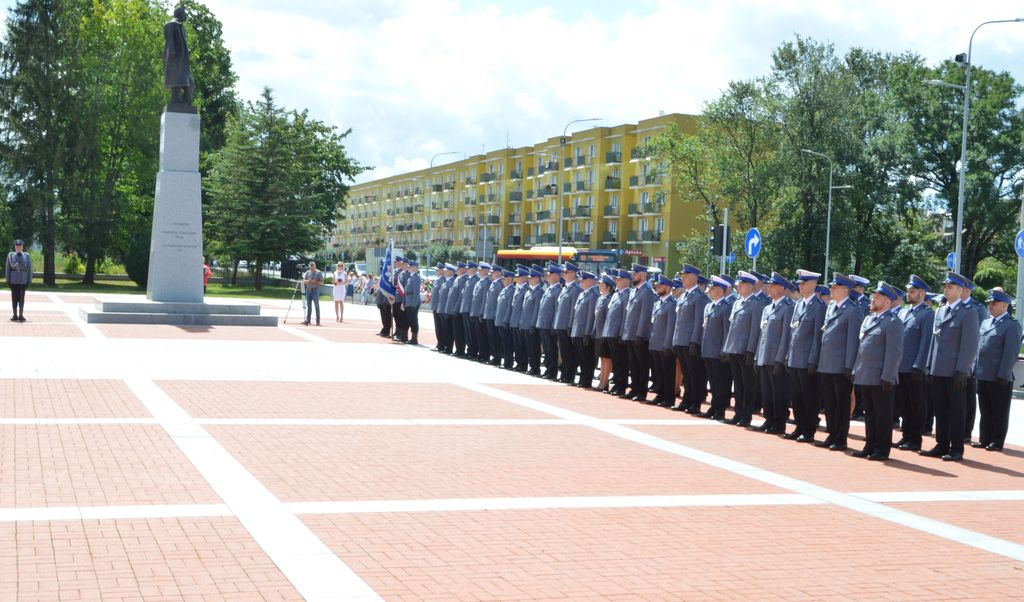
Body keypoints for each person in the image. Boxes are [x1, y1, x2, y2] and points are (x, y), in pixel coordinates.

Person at [920, 272, 981, 462]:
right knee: (940, 409)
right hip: (938, 369)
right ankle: (942, 444)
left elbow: (970, 344)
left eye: (950, 286)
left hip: (955, 371)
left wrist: (962, 369)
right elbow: (934, 341)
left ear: (960, 290)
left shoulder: (968, 312)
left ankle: (956, 448)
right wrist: (929, 365)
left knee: (956, 410)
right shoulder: (941, 310)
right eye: (945, 286)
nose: (946, 289)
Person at [851, 282, 905, 461]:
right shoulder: (869, 319)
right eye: (874, 296)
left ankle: (882, 449)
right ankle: (870, 445)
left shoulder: (893, 322)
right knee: (870, 414)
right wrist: (856, 370)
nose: (873, 299)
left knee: (883, 415)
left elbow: (894, 352)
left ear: (888, 302)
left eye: (878, 297)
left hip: (881, 377)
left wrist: (888, 376)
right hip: (865, 374)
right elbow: (862, 348)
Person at [815, 273, 862, 451]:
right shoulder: (832, 307)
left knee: (841, 404)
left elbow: (852, 341)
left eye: (834, 287)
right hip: (827, 364)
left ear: (845, 290)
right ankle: (832, 434)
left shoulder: (852, 310)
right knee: (829, 403)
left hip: (841, 365)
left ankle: (841, 438)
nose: (831, 290)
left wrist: (849, 366)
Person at [972, 288, 1021, 452]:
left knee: (999, 411)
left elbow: (1011, 353)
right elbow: (979, 348)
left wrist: (1003, 373)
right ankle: (984, 438)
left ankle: (996, 440)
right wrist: (974, 368)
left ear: (1005, 306)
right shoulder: (986, 322)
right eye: (989, 303)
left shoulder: (1012, 325)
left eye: (994, 303)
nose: (990, 306)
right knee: (985, 409)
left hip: (999, 376)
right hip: (983, 373)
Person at [784, 269, 826, 442]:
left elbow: (817, 337)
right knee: (797, 397)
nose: (799, 286)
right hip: (795, 358)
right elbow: (792, 332)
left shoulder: (819, 307)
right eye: (799, 283)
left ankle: (808, 430)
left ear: (812, 284)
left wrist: (813, 360)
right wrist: (788, 355)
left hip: (807, 359)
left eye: (803, 283)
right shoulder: (799, 304)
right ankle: (799, 426)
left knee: (809, 397)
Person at [894, 275, 934, 451]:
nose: (909, 294)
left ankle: (915, 438)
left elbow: (926, 342)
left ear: (922, 293)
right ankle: (906, 436)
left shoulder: (927, 314)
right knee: (904, 404)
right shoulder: (903, 312)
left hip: (914, 368)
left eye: (912, 291)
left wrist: (919, 365)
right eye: (909, 291)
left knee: (917, 405)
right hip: (901, 366)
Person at [754, 272, 795, 434]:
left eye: (773, 285)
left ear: (783, 288)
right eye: (769, 285)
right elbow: (762, 335)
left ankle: (779, 423)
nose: (769, 288)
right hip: (764, 356)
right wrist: (758, 356)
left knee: (779, 393)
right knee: (767, 392)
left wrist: (780, 360)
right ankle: (769, 419)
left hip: (776, 358)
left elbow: (786, 337)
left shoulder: (788, 308)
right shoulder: (767, 308)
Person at [721, 271, 762, 426]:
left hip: (745, 351)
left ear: (750, 286)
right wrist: (727, 348)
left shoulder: (756, 304)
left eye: (742, 284)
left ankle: (746, 415)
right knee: (738, 385)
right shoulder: (737, 303)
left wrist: (751, 351)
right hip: (734, 349)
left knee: (748, 385)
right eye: (738, 284)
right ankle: (738, 413)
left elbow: (754, 330)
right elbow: (732, 328)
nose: (738, 286)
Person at [672, 265, 709, 413]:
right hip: (681, 340)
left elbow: (698, 321)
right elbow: (679, 321)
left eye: (686, 276)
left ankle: (696, 402)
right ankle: (687, 400)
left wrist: (695, 341)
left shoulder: (700, 297)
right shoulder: (683, 296)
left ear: (694, 277)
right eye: (682, 276)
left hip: (690, 342)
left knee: (695, 374)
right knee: (687, 374)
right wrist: (675, 340)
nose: (683, 279)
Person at [700, 275, 734, 420]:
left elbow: (727, 331)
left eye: (713, 288)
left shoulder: (726, 308)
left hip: (718, 352)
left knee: (721, 383)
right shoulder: (709, 306)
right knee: (713, 382)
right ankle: (714, 406)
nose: (710, 290)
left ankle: (719, 410)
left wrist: (724, 350)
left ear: (721, 290)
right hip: (707, 350)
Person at [621, 264, 656, 401]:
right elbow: (629, 314)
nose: (632, 276)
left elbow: (645, 314)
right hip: (630, 333)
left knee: (642, 365)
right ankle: (634, 388)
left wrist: (640, 333)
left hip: (639, 335)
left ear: (641, 275)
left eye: (634, 274)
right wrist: (626, 333)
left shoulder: (647, 291)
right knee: (633, 364)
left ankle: (641, 391)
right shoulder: (634, 290)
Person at [959, 278, 988, 445]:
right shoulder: (950, 307)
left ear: (967, 290)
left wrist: (972, 362)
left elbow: (980, 336)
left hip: (969, 361)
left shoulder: (978, 309)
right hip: (953, 361)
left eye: (960, 288)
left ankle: (966, 432)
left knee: (968, 398)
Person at [647, 275, 678, 407]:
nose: (657, 287)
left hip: (665, 345)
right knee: (658, 372)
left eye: (660, 285)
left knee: (668, 372)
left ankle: (669, 397)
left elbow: (671, 327)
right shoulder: (657, 303)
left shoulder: (671, 304)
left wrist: (667, 345)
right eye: (657, 285)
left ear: (668, 288)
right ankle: (660, 394)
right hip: (655, 343)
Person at [604, 270, 632, 396]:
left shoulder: (628, 295)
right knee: (615, 361)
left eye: (620, 279)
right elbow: (610, 315)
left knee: (622, 361)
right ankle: (616, 382)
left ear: (627, 281)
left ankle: (621, 385)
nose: (617, 281)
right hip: (611, 332)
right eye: (616, 279)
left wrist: (622, 334)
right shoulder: (615, 294)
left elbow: (625, 316)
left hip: (618, 334)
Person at [554, 263, 582, 383]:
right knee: (564, 352)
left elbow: (573, 310)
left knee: (569, 352)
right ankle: (564, 373)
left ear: (572, 273)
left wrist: (570, 325)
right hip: (560, 324)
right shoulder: (565, 288)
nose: (563, 274)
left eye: (565, 272)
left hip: (566, 326)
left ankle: (569, 375)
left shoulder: (575, 289)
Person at [570, 271, 599, 388]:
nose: (581, 282)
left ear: (591, 281)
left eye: (583, 280)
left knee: (588, 359)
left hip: (584, 332)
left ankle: (587, 380)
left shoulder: (593, 295)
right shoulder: (582, 294)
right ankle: (582, 378)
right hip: (577, 331)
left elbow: (590, 317)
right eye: (581, 280)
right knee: (581, 358)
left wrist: (587, 333)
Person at [536, 264, 564, 380]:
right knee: (547, 349)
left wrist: (553, 325)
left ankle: (553, 371)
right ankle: (548, 369)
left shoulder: (558, 290)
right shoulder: (549, 288)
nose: (548, 276)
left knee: (552, 349)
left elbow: (557, 309)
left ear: (557, 276)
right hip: (543, 324)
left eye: (550, 274)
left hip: (550, 325)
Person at [520, 266, 546, 375]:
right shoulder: (529, 291)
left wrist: (532, 324)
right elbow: (524, 310)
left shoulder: (539, 292)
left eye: (531, 278)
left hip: (532, 325)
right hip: (525, 324)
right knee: (529, 347)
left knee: (534, 349)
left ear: (536, 279)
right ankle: (531, 367)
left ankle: (535, 368)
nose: (529, 279)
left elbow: (536, 310)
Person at [593, 275, 615, 392]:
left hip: (604, 333)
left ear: (608, 287)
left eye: (602, 285)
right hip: (598, 333)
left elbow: (608, 319)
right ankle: (602, 381)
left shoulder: (609, 299)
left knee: (607, 358)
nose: (600, 286)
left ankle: (605, 382)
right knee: (602, 358)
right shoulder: (600, 298)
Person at [494, 269, 517, 369]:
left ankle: (508, 363)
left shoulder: (511, 290)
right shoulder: (504, 289)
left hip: (505, 321)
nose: (502, 280)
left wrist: (505, 320)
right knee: (503, 343)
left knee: (508, 344)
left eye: (504, 278)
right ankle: (506, 362)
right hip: (500, 320)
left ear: (510, 279)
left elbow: (509, 307)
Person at [6, 239, 31, 322]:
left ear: (22, 246)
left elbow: (30, 269)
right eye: (17, 246)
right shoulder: (10, 255)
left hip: (23, 280)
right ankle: (14, 315)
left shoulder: (27, 256)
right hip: (13, 280)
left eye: (20, 246)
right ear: (15, 246)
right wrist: (8, 280)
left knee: (21, 298)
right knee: (14, 298)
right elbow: (8, 269)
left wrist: (29, 280)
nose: (18, 247)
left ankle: (21, 315)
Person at [403, 260, 422, 345]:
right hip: (408, 301)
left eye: (410, 266)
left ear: (414, 268)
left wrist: (414, 304)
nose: (408, 268)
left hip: (412, 303)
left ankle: (414, 339)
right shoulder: (411, 277)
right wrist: (404, 302)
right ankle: (411, 338)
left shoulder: (416, 278)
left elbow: (416, 293)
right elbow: (406, 292)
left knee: (413, 321)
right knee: (409, 320)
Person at [302, 262, 323, 326]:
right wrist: (308, 281)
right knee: (309, 306)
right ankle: (308, 320)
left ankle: (318, 322)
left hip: (315, 290)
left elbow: (322, 282)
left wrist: (315, 281)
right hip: (308, 290)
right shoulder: (307, 272)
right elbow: (304, 281)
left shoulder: (318, 273)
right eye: (310, 267)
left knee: (316, 306)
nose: (311, 268)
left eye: (312, 267)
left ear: (315, 266)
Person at [375, 272, 392, 337]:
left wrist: (385, 301)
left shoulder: (388, 277)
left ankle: (386, 331)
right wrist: (378, 301)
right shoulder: (383, 276)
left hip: (386, 301)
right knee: (383, 317)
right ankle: (384, 330)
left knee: (387, 316)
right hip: (381, 300)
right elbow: (379, 290)